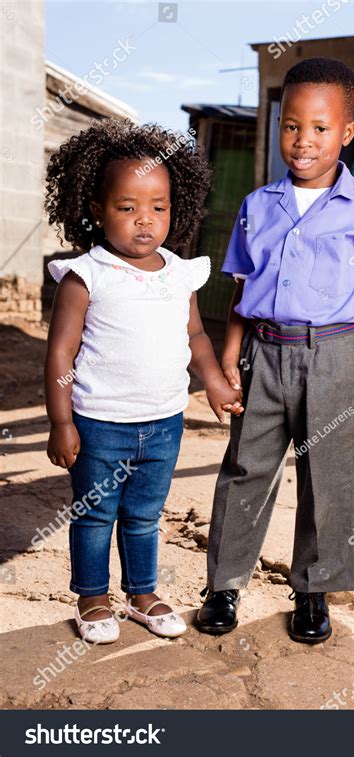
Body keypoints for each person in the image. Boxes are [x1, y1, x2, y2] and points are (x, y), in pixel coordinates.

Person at [195, 58, 354, 644]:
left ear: (346, 132)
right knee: (245, 468)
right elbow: (243, 293)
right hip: (263, 355)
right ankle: (223, 586)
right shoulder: (258, 205)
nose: (303, 141)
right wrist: (230, 363)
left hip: (336, 355)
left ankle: (313, 591)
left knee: (330, 475)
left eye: (319, 128)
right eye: (291, 126)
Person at [44, 119, 243, 644]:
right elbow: (61, 353)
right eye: (126, 207)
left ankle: (141, 593)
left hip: (163, 422)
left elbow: (196, 335)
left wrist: (217, 383)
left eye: (158, 207)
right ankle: (91, 597)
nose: (144, 221)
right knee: (94, 516)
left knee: (144, 515)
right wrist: (61, 421)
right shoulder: (87, 276)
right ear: (96, 210)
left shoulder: (180, 273)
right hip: (99, 423)